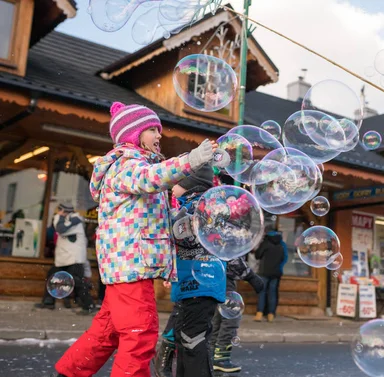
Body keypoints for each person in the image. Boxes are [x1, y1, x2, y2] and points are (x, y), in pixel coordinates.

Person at [51, 101, 217, 377]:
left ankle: (68, 373)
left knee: (106, 333)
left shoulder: (136, 167)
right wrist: (190, 161)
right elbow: (151, 178)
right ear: (133, 134)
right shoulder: (125, 164)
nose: (159, 135)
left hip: (128, 266)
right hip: (130, 267)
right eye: (152, 129)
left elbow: (155, 215)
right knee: (140, 335)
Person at [154, 165, 227, 377]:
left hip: (199, 284)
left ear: (188, 184)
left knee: (192, 341)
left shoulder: (200, 207)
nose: (171, 185)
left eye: (176, 181)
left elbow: (188, 238)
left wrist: (171, 222)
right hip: (195, 283)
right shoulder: (197, 206)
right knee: (186, 340)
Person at [36, 203, 94, 314]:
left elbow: (61, 229)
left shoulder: (76, 221)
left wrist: (62, 215)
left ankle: (89, 305)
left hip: (75, 258)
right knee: (52, 276)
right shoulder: (65, 219)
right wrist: (62, 216)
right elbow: (59, 226)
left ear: (64, 211)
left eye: (60, 211)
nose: (58, 213)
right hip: (64, 258)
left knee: (77, 281)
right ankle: (48, 301)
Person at [210, 255, 264, 374]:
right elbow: (231, 255)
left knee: (217, 318)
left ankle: (212, 355)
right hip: (224, 277)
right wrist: (251, 276)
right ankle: (221, 358)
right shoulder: (228, 237)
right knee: (231, 317)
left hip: (214, 275)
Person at [254, 227, 288, 323]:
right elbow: (284, 258)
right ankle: (271, 315)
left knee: (262, 293)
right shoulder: (282, 244)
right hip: (276, 272)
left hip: (264, 272)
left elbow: (258, 255)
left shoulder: (265, 243)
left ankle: (259, 314)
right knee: (272, 293)